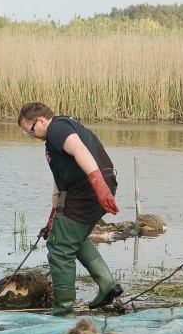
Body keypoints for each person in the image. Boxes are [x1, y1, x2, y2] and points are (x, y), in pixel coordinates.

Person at [17, 102, 122, 316]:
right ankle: (107, 285)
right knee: (74, 237)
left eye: (30, 131)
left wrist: (99, 186)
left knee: (60, 248)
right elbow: (60, 182)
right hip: (89, 189)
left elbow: (79, 149)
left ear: (41, 121)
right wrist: (53, 217)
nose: (32, 137)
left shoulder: (57, 128)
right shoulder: (59, 133)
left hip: (88, 190)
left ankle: (63, 310)